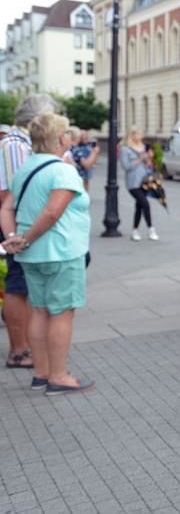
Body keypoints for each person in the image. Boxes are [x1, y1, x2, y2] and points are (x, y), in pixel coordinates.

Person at [1, 113, 92, 395]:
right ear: (61, 138)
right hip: (62, 251)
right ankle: (59, 377)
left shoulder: (26, 167)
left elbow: (6, 208)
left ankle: (40, 374)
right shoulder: (63, 170)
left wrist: (13, 238)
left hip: (31, 256)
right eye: (68, 133)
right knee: (62, 313)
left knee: (39, 311)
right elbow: (52, 213)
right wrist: (25, 238)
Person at [0, 94, 57, 371]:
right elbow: (14, 192)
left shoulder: (20, 143)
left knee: (22, 284)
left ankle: (24, 346)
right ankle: (19, 351)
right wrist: (18, 233)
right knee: (18, 284)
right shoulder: (15, 145)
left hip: (19, 224)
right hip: (17, 225)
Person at [119, 128, 158, 241]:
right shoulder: (125, 149)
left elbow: (149, 166)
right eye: (138, 134)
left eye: (141, 134)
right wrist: (139, 159)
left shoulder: (143, 148)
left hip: (144, 181)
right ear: (132, 136)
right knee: (145, 204)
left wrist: (150, 158)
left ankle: (135, 230)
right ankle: (151, 229)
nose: (140, 136)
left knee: (139, 206)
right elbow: (126, 166)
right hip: (133, 183)